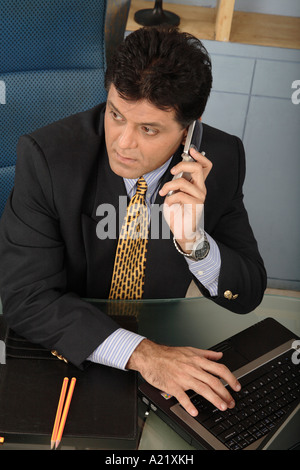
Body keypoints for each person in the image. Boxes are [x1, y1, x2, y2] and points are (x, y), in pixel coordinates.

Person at [0, 26, 266, 418]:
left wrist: (196, 242)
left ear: (188, 129)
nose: (123, 143)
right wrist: (144, 355)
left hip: (165, 338)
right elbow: (25, 298)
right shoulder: (48, 157)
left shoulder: (222, 158)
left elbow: (248, 294)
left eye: (148, 129)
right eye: (116, 115)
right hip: (62, 343)